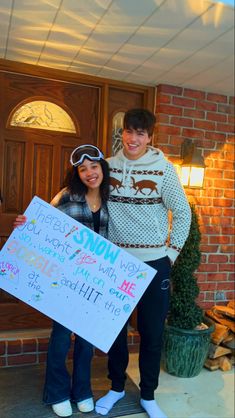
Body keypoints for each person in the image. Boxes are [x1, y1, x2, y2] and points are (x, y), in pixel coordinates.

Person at [95, 108, 192, 418]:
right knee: (115, 331)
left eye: (140, 133)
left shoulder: (163, 169)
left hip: (153, 265)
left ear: (150, 137)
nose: (133, 138)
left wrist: (171, 254)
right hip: (116, 263)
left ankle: (148, 395)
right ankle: (117, 387)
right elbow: (80, 197)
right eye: (129, 131)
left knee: (152, 333)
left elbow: (183, 212)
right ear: (122, 133)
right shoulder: (107, 168)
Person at [14, 144, 110, 418]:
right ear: (77, 173)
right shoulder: (67, 196)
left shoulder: (110, 199)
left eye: (94, 166)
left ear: (102, 168)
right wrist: (23, 223)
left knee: (86, 340)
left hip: (96, 282)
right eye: (83, 169)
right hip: (65, 281)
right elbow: (39, 224)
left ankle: (82, 390)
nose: (89, 173)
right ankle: (56, 391)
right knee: (60, 337)